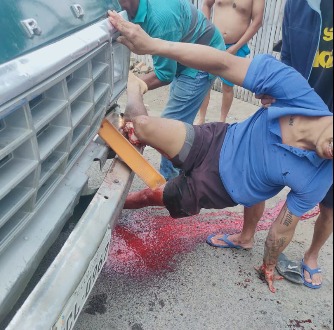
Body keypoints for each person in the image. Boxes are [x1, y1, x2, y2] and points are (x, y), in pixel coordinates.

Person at [108, 11, 333, 293]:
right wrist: (153, 45)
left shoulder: (320, 178)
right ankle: (133, 84)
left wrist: (269, 263)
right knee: (141, 126)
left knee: (148, 195)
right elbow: (223, 63)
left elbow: (282, 227)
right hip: (214, 140)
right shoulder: (294, 90)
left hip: (217, 188)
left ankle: (104, 211)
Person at [217, 0, 333, 290]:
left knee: (330, 202)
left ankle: (312, 254)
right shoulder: (298, 4)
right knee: (261, 168)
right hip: (298, 108)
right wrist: (275, 90)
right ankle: (246, 236)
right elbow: (290, 55)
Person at [111, 0, 226, 181]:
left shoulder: (160, 17)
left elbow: (165, 74)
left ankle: (173, 186)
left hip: (201, 61)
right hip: (184, 56)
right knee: (177, 120)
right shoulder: (129, 9)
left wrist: (137, 85)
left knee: (170, 130)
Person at [196, 0, 265, 124]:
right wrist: (207, 31)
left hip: (236, 46)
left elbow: (257, 22)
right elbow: (206, 4)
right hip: (214, 42)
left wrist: (236, 47)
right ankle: (201, 118)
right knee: (205, 83)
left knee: (228, 86)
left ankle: (222, 121)